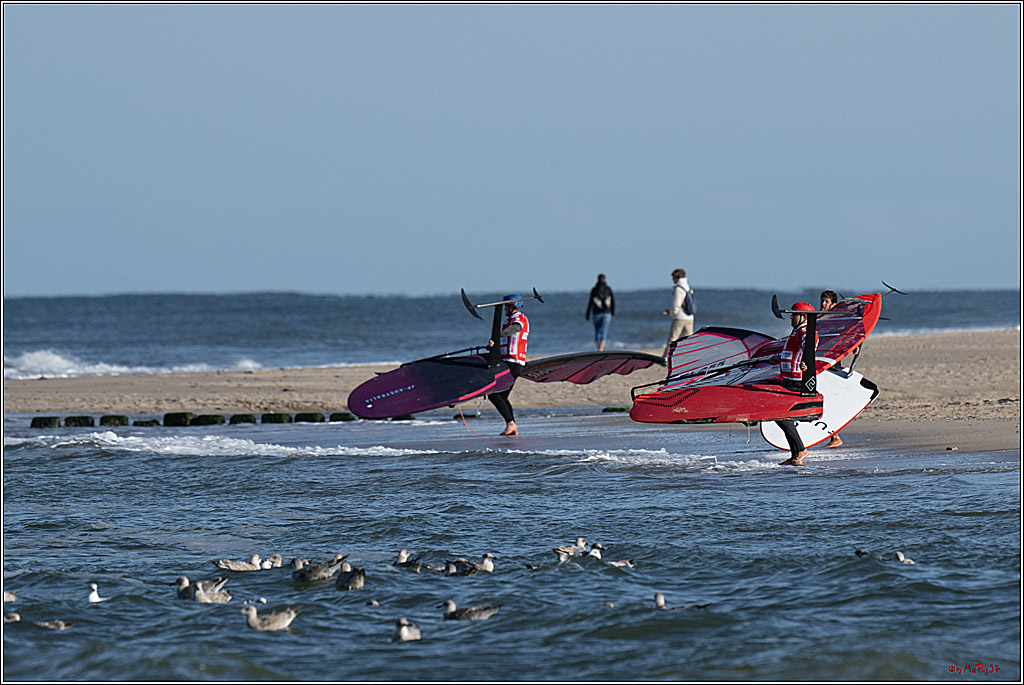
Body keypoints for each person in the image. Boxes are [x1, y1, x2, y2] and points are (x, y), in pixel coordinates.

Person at [770, 301, 818, 466]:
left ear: (804, 316)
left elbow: (809, 347)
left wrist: (807, 362)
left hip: (797, 381)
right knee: (780, 416)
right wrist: (778, 358)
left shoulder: (806, 331)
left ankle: (800, 451)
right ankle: (796, 453)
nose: (791, 317)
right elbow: (792, 351)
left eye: (794, 314)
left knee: (781, 415)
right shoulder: (796, 331)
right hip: (787, 380)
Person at [486, 294, 530, 436]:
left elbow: (516, 328)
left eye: (506, 306)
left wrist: (497, 336)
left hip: (513, 363)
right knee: (502, 396)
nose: (505, 309)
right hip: (508, 363)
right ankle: (512, 427)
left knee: (493, 394)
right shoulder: (508, 320)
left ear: (512, 306)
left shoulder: (519, 318)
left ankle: (511, 423)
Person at [819, 290, 845, 448]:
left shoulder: (837, 321)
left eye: (827, 302)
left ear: (834, 305)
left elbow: (850, 333)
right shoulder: (819, 318)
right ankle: (834, 436)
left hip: (831, 362)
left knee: (827, 399)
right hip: (819, 361)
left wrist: (857, 347)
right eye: (822, 301)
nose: (823, 304)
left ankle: (835, 437)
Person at [662, 268, 695, 358]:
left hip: (680, 317)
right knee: (688, 339)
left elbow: (676, 304)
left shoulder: (679, 289)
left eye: (673, 278)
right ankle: (690, 357)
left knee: (673, 339)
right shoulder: (688, 287)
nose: (672, 280)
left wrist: (672, 313)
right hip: (690, 317)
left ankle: (666, 358)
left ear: (677, 277)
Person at [585, 274, 615, 351]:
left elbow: (590, 302)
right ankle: (601, 348)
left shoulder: (594, 289)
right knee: (604, 330)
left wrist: (587, 314)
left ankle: (598, 348)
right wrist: (613, 312)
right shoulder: (608, 289)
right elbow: (612, 302)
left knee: (597, 331)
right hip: (606, 313)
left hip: (596, 313)